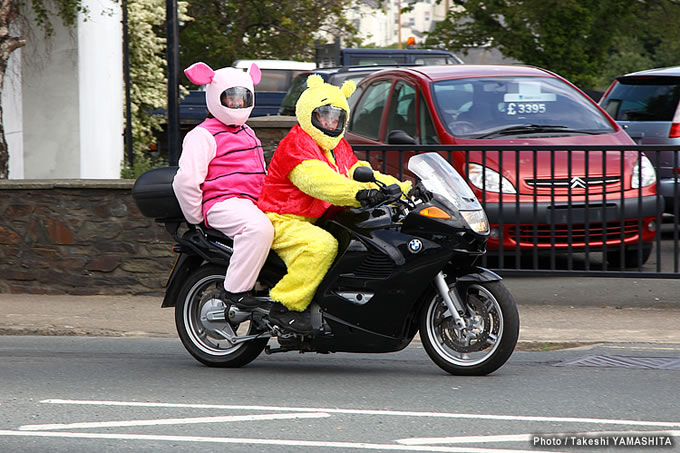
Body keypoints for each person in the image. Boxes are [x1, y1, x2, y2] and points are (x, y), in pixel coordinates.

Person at [257, 75, 411, 333]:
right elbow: (318, 181)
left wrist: (401, 187)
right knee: (321, 246)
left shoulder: (337, 146)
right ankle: (286, 306)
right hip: (283, 217)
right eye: (324, 115)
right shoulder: (297, 144)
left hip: (315, 217)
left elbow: (359, 170)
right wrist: (360, 193)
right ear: (309, 114)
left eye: (336, 117)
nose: (330, 122)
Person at [172, 62, 274, 309]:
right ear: (215, 97)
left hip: (252, 202)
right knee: (258, 229)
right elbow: (186, 181)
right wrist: (196, 217)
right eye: (231, 98)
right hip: (223, 203)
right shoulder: (202, 135)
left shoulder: (248, 132)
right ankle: (235, 293)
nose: (238, 104)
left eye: (242, 98)